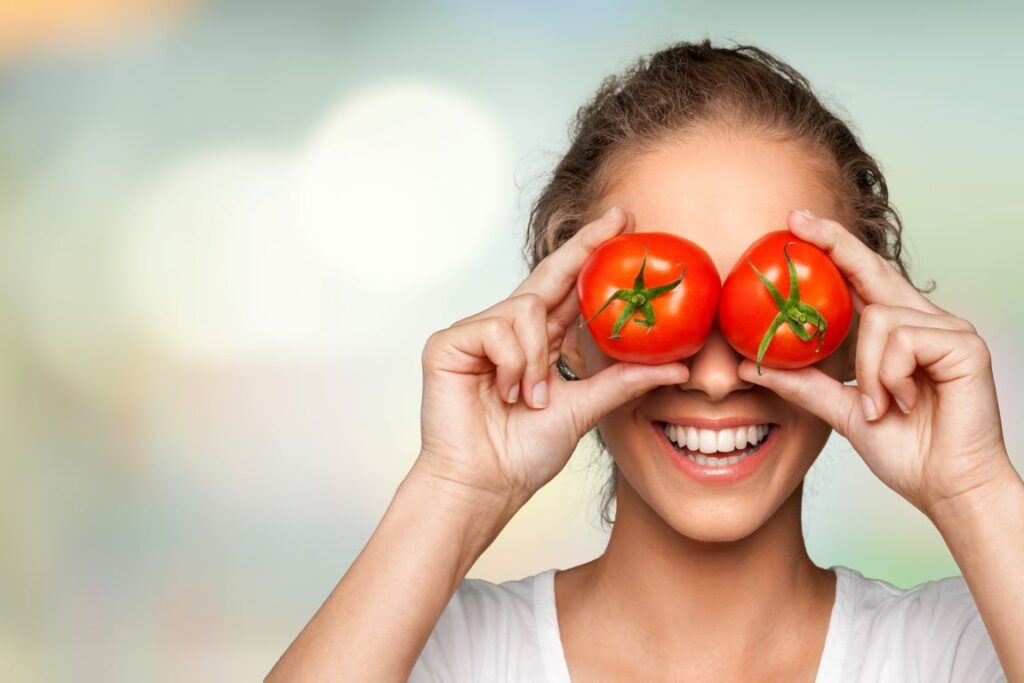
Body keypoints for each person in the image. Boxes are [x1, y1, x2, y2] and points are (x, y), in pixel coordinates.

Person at [267, 39, 1020, 682]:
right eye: (651, 303)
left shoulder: (954, 652)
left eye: (786, 304)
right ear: (566, 325)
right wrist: (454, 487)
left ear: (859, 328)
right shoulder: (437, 655)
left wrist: (975, 488)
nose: (721, 378)